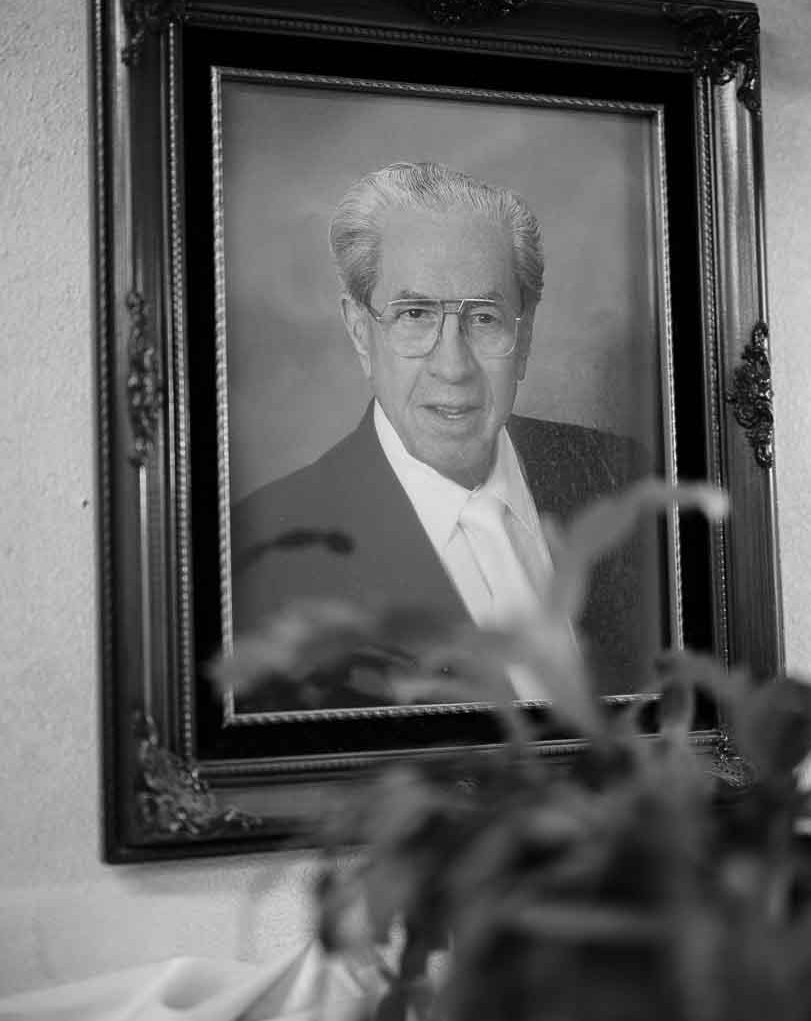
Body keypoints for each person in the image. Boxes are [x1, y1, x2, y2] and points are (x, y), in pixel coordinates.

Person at [231, 161, 653, 707]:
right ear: (362, 333)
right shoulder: (266, 560)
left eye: (483, 318)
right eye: (414, 314)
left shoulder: (623, 475)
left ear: (524, 339)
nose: (453, 367)